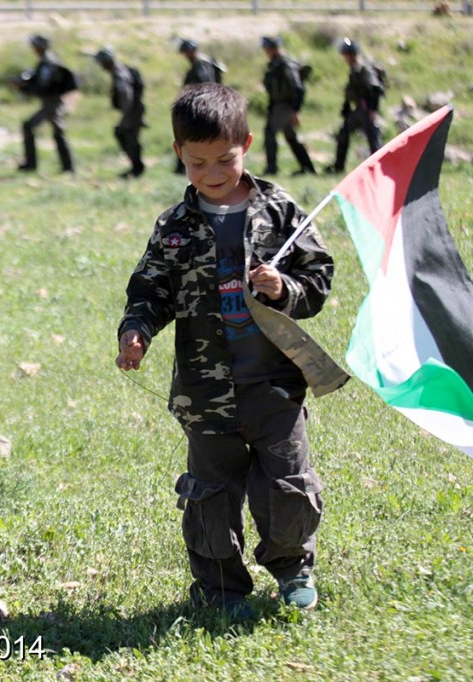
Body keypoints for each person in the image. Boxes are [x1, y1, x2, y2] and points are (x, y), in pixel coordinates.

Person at [116, 83, 333, 618]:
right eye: (198, 162)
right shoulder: (174, 227)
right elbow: (150, 289)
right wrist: (136, 330)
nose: (212, 172)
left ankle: (292, 570)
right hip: (204, 389)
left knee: (286, 486)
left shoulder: (280, 210)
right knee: (210, 495)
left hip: (275, 383)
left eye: (225, 160)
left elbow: (318, 277)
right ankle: (220, 589)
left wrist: (285, 289)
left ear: (248, 145)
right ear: (178, 155)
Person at [11, 34, 75, 173]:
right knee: (58, 132)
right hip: (50, 102)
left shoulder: (49, 63)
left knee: (29, 126)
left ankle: (31, 164)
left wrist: (23, 87)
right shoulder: (46, 61)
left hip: (52, 103)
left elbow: (44, 86)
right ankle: (67, 167)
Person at [260, 35, 316, 176]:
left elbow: (298, 88)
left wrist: (295, 110)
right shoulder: (275, 64)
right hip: (279, 105)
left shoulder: (286, 64)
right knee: (291, 137)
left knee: (270, 132)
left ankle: (272, 168)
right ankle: (307, 168)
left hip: (285, 106)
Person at [328, 38, 383, 174]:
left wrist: (372, 110)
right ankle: (338, 167)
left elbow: (375, 89)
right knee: (343, 134)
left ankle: (379, 169)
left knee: (373, 141)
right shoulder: (354, 70)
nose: (345, 58)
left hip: (366, 110)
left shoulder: (364, 70)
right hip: (358, 110)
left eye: (346, 55)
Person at [93, 47, 146, 178]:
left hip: (132, 111)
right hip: (133, 110)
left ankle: (137, 169)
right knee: (126, 135)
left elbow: (126, 95)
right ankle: (136, 167)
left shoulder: (119, 74)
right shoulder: (118, 71)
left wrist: (127, 116)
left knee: (127, 136)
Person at [174, 39, 224, 174]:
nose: (185, 55)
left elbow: (206, 86)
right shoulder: (200, 63)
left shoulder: (201, 64)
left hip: (202, 106)